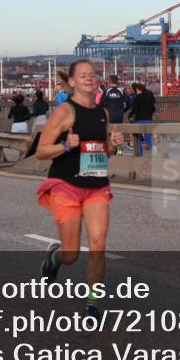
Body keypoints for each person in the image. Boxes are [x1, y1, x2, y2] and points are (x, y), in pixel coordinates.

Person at [36, 60, 124, 319]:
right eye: (83, 75)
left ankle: (92, 304)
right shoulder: (64, 112)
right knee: (71, 254)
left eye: (92, 75)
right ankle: (54, 259)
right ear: (72, 82)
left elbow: (105, 152)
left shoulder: (103, 113)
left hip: (96, 186)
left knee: (98, 244)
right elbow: (42, 151)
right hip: (67, 185)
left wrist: (115, 144)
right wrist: (66, 145)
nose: (89, 78)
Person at [129, 82, 157, 155]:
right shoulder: (149, 96)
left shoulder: (137, 98)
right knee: (148, 136)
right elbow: (153, 107)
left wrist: (130, 115)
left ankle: (139, 154)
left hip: (139, 119)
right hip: (148, 119)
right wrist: (150, 113)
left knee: (138, 137)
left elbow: (135, 109)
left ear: (139, 89)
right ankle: (154, 150)